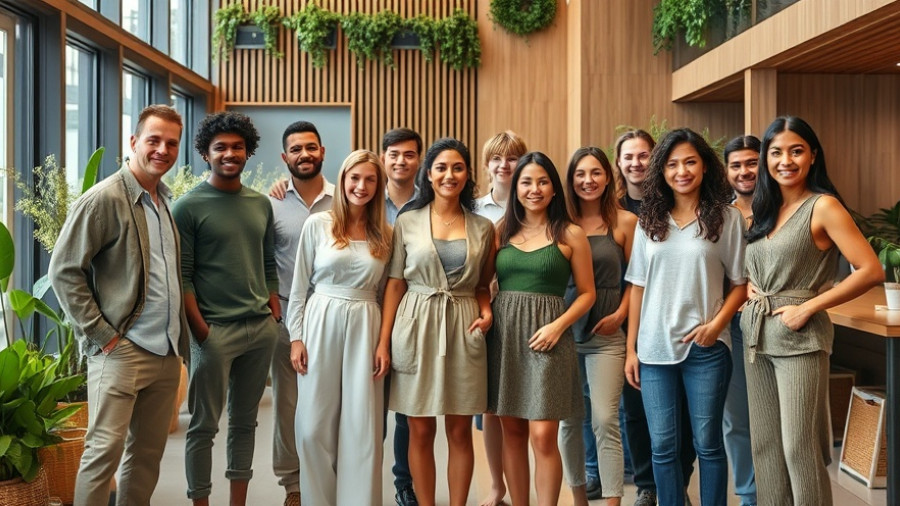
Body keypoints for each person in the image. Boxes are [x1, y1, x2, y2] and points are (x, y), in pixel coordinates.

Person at [49, 104, 188, 506]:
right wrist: (103, 335)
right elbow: (64, 270)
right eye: (154, 140)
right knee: (102, 456)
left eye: (171, 143)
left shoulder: (163, 201)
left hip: (165, 353)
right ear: (133, 142)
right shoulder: (105, 198)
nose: (163, 149)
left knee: (146, 457)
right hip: (122, 351)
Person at [741, 116, 883, 505]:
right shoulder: (764, 209)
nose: (785, 160)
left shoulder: (823, 206)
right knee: (766, 448)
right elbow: (759, 264)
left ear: (812, 156)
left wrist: (810, 307)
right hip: (756, 336)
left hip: (800, 338)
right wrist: (752, 286)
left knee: (798, 449)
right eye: (776, 152)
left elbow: (870, 269)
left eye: (796, 150)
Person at [623, 128, 748, 506]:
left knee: (707, 444)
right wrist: (631, 350)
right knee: (662, 446)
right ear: (661, 171)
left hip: (706, 349)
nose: (682, 171)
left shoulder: (726, 219)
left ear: (704, 167)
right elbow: (638, 288)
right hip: (654, 349)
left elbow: (740, 284)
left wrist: (716, 327)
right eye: (673, 163)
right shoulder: (649, 220)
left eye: (690, 161)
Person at [173, 111, 281, 506]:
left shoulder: (260, 204)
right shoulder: (187, 207)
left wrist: (273, 311)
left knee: (245, 423)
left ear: (248, 152)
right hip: (214, 332)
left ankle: (239, 501)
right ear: (205, 153)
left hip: (260, 329)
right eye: (221, 147)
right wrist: (202, 332)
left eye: (237, 147)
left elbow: (268, 262)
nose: (230, 153)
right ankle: (200, 501)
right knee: (203, 427)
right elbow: (182, 276)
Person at [380, 138, 495, 506]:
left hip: (464, 326)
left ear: (467, 175)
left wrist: (487, 309)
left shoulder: (482, 226)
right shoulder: (408, 220)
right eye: (441, 168)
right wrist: (384, 342)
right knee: (419, 427)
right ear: (428, 174)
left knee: (460, 429)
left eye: (457, 168)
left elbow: (482, 285)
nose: (449, 175)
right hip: (415, 322)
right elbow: (396, 283)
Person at [488, 152, 595, 506]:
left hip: (549, 339)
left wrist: (558, 326)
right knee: (512, 432)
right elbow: (480, 285)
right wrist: (485, 313)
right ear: (515, 187)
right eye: (526, 182)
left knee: (542, 435)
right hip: (504, 336)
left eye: (542, 181)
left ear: (554, 189)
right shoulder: (500, 231)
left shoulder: (570, 233)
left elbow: (587, 294)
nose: (534, 189)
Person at [287, 150, 392, 505]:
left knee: (361, 426)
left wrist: (383, 343)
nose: (361, 186)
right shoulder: (318, 224)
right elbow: (300, 287)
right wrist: (296, 337)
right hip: (321, 319)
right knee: (312, 426)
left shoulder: (386, 235)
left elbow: (387, 292)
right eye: (354, 178)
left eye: (370, 180)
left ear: (379, 186)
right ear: (343, 179)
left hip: (366, 321)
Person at [614, 129, 696, 506]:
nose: (637, 163)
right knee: (635, 409)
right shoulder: (610, 208)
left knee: (683, 414)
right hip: (630, 324)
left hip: (680, 324)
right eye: (628, 156)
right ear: (618, 163)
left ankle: (677, 481)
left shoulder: (676, 204)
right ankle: (648, 485)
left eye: (644, 155)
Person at [559, 147, 637, 506]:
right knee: (569, 421)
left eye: (595, 173)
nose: (587, 181)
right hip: (563, 334)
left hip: (607, 334)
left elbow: (637, 281)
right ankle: (577, 498)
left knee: (605, 419)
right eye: (580, 174)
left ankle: (612, 501)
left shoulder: (625, 222)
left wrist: (621, 314)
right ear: (570, 180)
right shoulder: (558, 223)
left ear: (608, 177)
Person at [268, 120, 333, 506]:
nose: (304, 154)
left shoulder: (344, 198)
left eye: (311, 147)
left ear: (322, 151)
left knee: (331, 400)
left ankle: (330, 476)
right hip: (286, 316)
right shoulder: (270, 201)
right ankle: (293, 486)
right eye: (296, 149)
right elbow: (261, 260)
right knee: (287, 404)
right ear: (285, 157)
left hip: (333, 314)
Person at [473, 130, 528, 506]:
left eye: (511, 158)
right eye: (497, 158)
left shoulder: (535, 204)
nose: (504, 165)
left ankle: (524, 488)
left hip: (526, 315)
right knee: (490, 407)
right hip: (486, 315)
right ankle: (497, 487)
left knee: (520, 407)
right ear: (487, 163)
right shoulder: (475, 211)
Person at [381, 127, 423, 506]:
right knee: (365, 407)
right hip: (366, 312)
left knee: (407, 411)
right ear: (383, 158)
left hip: (413, 317)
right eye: (394, 154)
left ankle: (403, 483)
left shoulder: (430, 203)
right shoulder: (362, 195)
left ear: (418, 160)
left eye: (409, 155)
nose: (401, 161)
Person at [722, 135, 761, 506]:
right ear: (726, 170)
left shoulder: (783, 210)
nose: (744, 171)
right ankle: (749, 496)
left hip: (775, 324)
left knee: (780, 416)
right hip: (732, 327)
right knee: (736, 418)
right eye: (736, 165)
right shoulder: (721, 214)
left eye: (752, 162)